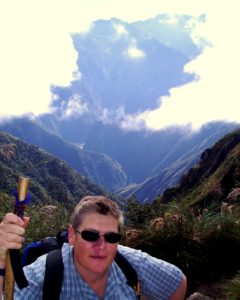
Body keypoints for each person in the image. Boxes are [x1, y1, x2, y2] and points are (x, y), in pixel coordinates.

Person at [0, 195, 187, 299]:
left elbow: (177, 282)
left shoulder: (128, 261)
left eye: (112, 237)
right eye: (90, 235)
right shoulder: (45, 274)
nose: (101, 246)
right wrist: (0, 257)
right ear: (72, 236)